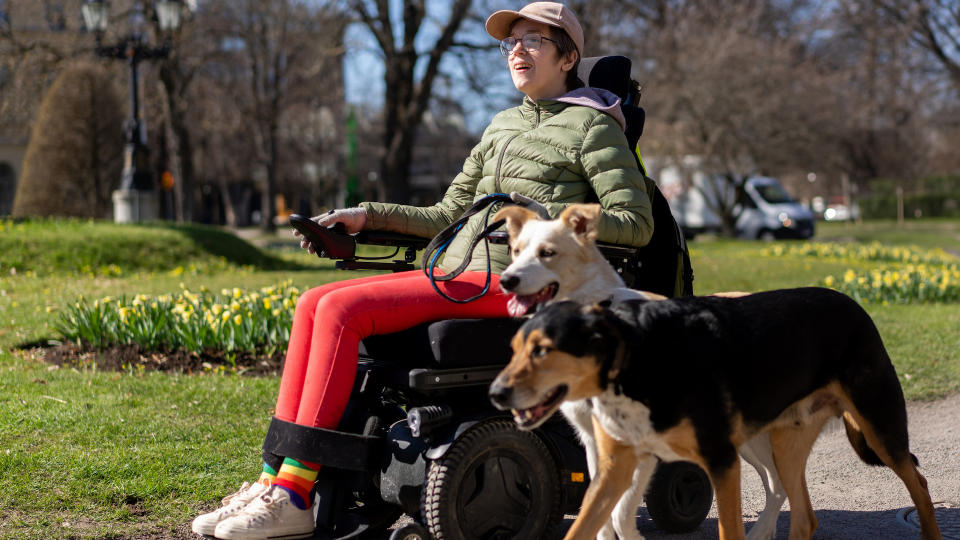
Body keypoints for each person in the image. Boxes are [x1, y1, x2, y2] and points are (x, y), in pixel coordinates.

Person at [192, 2, 656, 539]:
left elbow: (634, 222)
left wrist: (547, 224)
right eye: (512, 44)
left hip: (515, 282)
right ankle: (275, 481)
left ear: (568, 56)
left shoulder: (593, 125)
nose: (518, 52)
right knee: (312, 302)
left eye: (533, 41)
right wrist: (365, 217)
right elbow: (444, 213)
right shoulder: (502, 125)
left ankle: (294, 495)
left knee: (341, 309)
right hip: (459, 271)